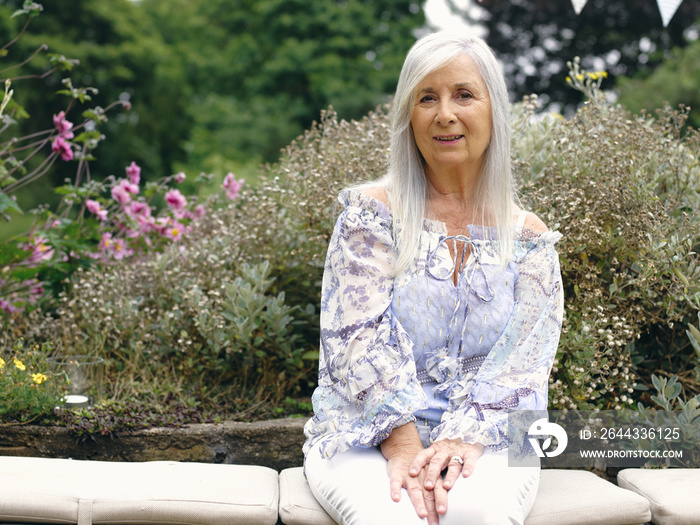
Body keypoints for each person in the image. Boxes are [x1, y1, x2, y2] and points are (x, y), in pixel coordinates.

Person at [303, 30, 564, 525]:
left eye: (464, 94)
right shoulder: (371, 217)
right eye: (427, 97)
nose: (445, 113)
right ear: (408, 116)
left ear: (493, 111)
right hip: (366, 431)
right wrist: (403, 445)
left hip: (493, 437)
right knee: (394, 518)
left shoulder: (529, 238)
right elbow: (352, 341)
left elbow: (526, 366)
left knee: (480, 516)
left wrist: (461, 442)